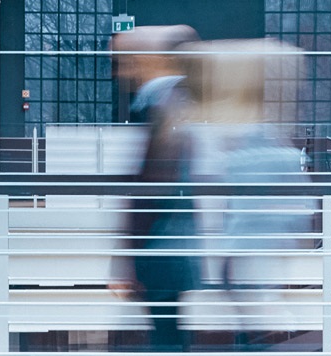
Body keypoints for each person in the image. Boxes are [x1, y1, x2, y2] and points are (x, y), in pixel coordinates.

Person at [170, 39, 314, 344]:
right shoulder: (264, 143)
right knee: (253, 326)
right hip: (247, 260)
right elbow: (301, 212)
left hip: (241, 259)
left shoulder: (225, 142)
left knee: (252, 325)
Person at [111, 25, 202, 352]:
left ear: (150, 59)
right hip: (172, 246)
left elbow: (151, 191)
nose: (122, 71)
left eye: (127, 60)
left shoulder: (161, 107)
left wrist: (130, 258)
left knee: (165, 336)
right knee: (168, 332)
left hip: (161, 248)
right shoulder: (174, 104)